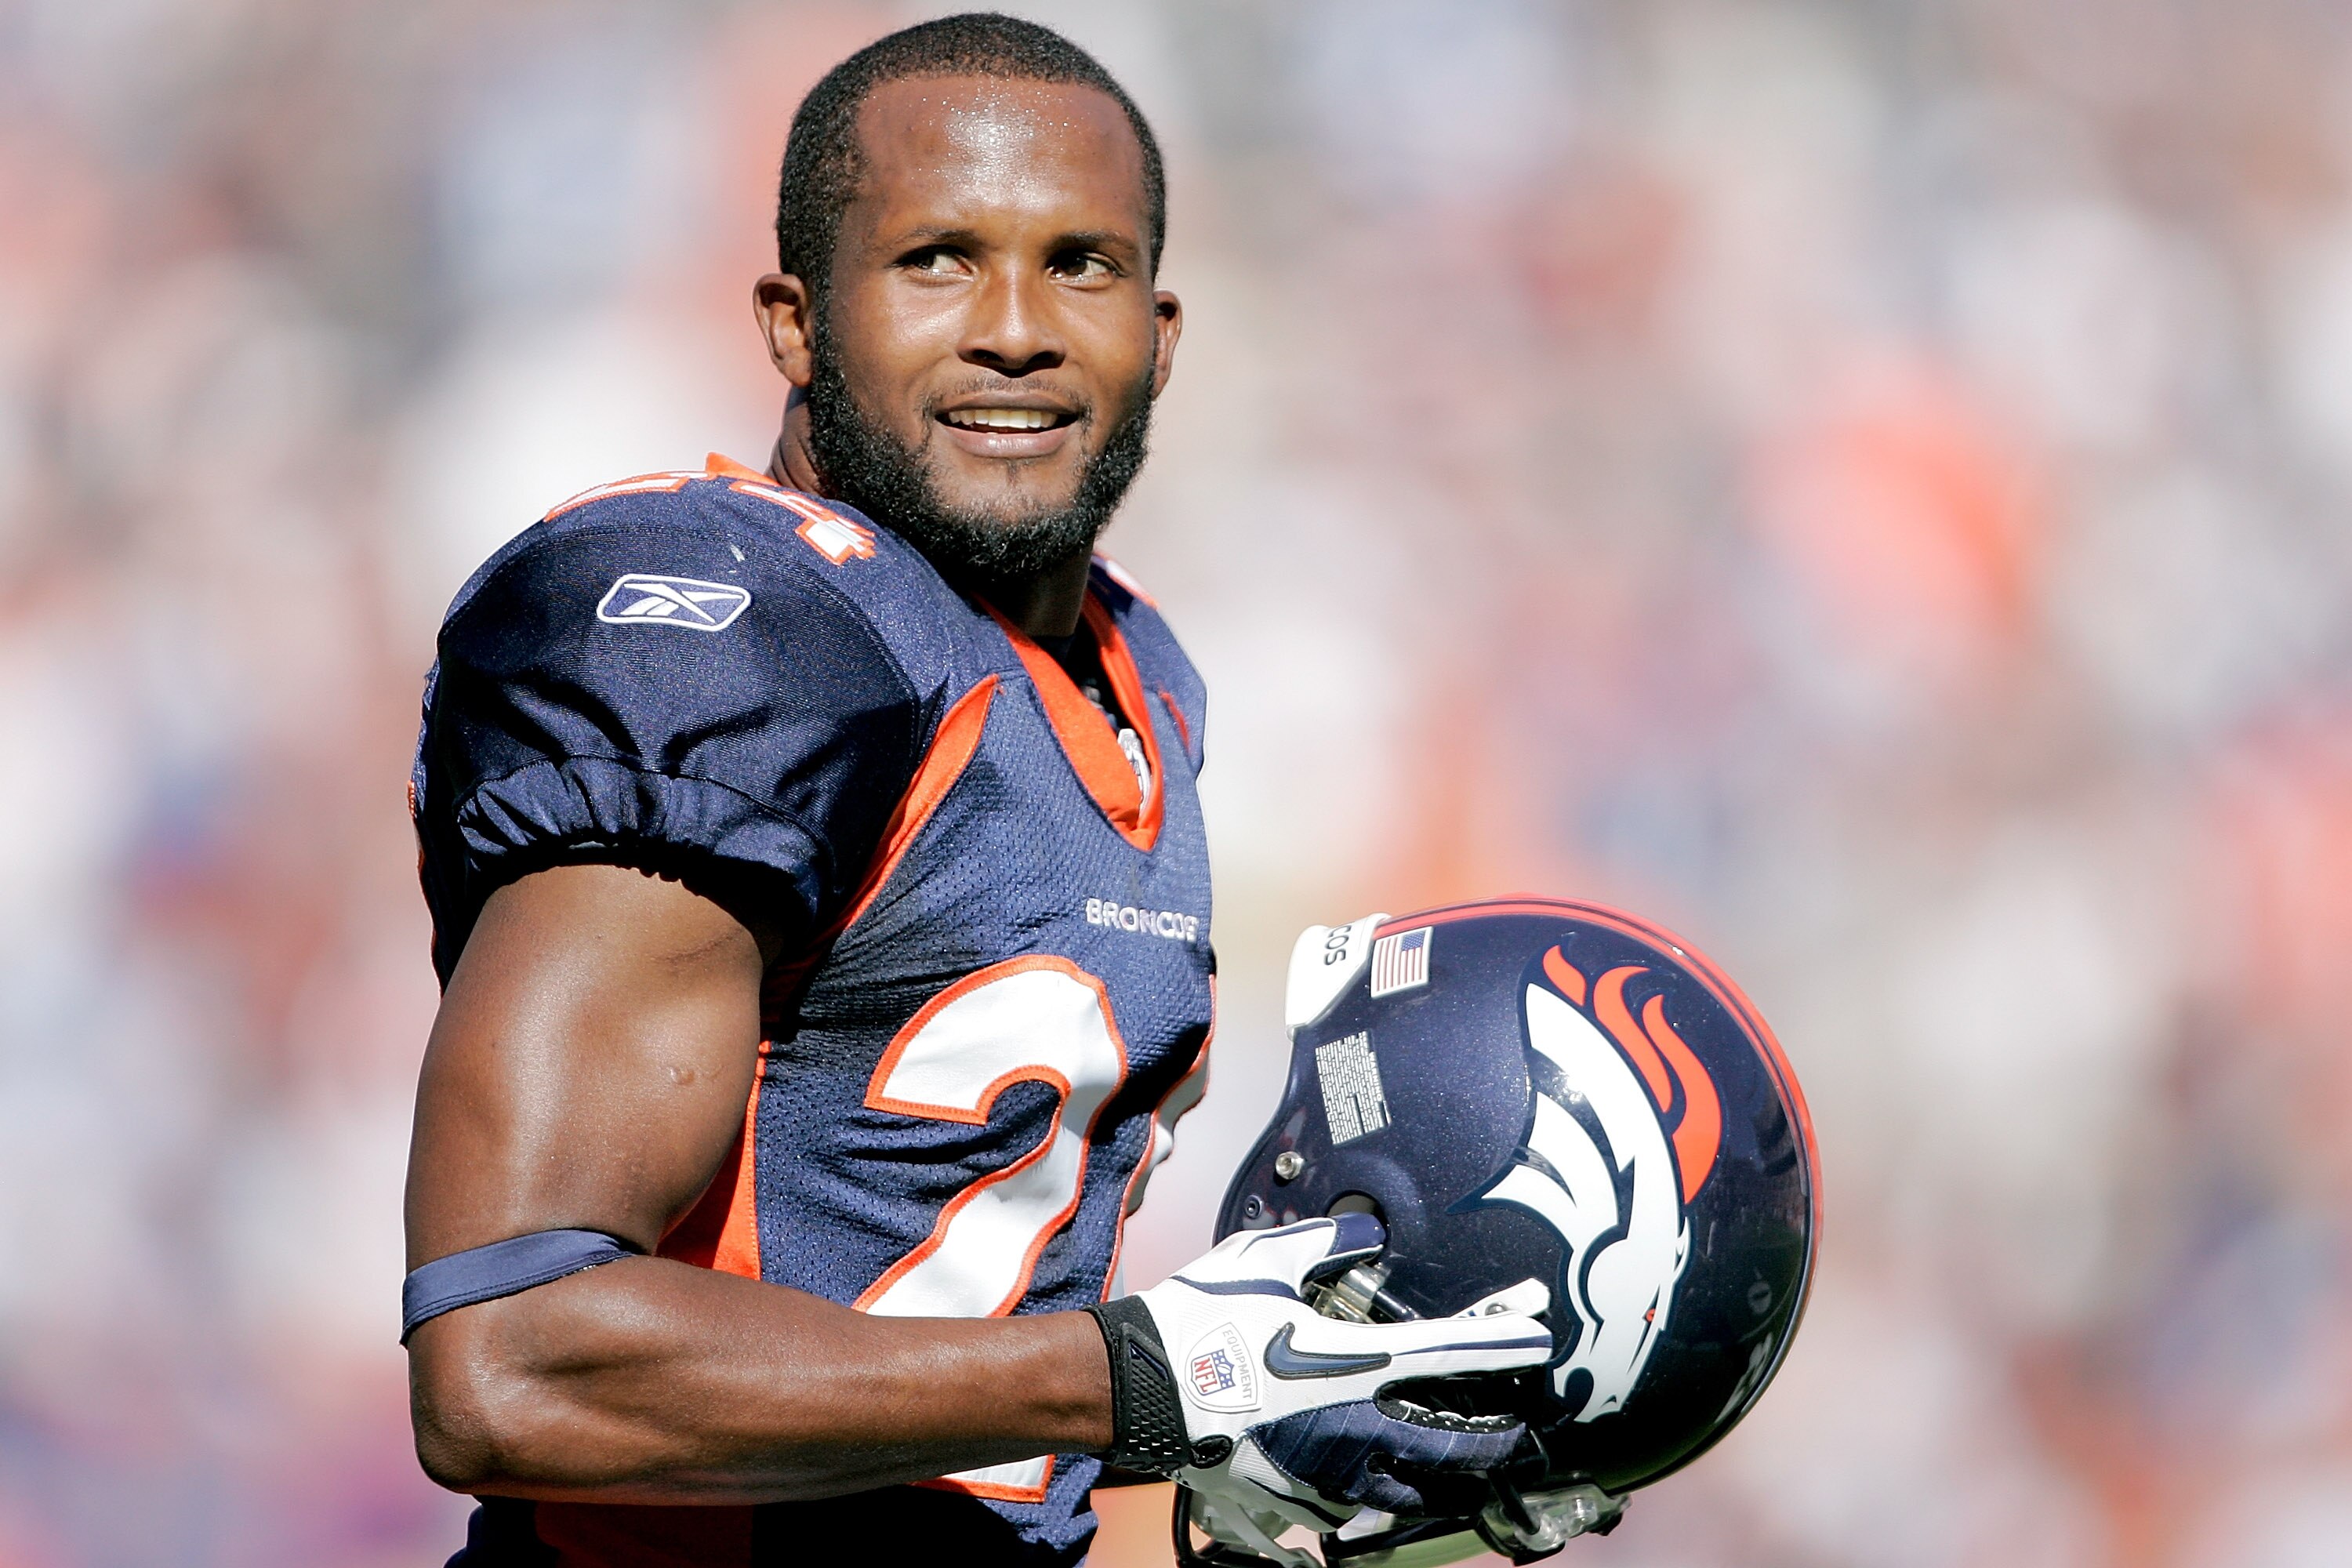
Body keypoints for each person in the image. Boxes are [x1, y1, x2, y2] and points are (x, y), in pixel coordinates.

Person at [401, 16, 1545, 1566]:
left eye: (1080, 265)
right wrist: (1141, 1383)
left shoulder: (1138, 676)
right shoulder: (737, 631)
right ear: (796, 325)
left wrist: (1273, 1441)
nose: (1016, 329)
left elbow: (976, 1351)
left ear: (1162, 331)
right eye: (937, 260)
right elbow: (511, 1363)